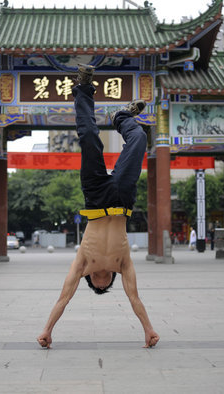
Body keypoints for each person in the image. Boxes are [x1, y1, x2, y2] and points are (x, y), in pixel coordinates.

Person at [37, 64, 159, 349]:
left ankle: (83, 87)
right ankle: (122, 118)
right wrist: (149, 330)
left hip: (95, 198)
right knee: (139, 138)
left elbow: (63, 298)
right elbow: (134, 298)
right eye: (107, 283)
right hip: (121, 200)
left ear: (91, 279)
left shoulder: (81, 265)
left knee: (90, 139)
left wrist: (47, 330)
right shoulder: (122, 264)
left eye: (98, 283)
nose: (102, 280)